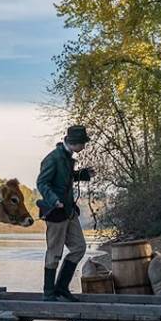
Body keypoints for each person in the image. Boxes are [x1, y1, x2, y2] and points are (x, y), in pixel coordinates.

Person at [36, 125, 96, 302]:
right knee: (54, 252)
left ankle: (61, 287)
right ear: (74, 143)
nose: (84, 147)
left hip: (69, 211)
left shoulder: (67, 157)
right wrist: (54, 200)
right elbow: (41, 183)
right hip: (56, 212)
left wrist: (82, 175)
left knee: (79, 248)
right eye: (83, 143)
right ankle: (48, 292)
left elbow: (66, 177)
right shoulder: (53, 158)